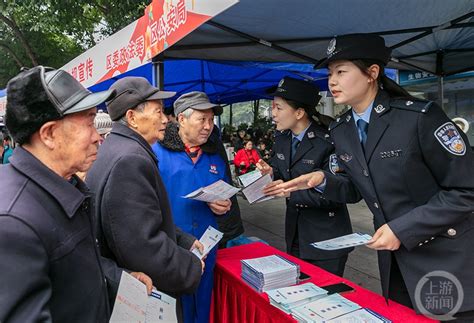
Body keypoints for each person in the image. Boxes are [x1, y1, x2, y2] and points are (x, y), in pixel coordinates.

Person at [277, 34, 474, 320]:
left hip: (445, 257)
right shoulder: (342, 129)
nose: (332, 81)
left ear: (372, 73)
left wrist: (402, 230)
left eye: (341, 71)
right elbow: (356, 190)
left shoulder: (418, 117)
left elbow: (465, 189)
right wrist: (322, 180)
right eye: (330, 73)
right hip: (395, 264)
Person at [0, 66, 152, 322]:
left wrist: (118, 277)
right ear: (49, 134)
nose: (98, 138)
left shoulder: (64, 184)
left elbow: (75, 264)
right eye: (89, 123)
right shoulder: (14, 223)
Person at [86, 77, 204, 321]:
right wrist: (189, 267)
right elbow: (141, 245)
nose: (165, 119)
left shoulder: (116, 147)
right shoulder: (131, 159)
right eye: (158, 111)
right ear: (132, 118)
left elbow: (140, 218)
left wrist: (183, 240)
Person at [256, 76, 354, 276]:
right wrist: (270, 172)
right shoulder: (282, 138)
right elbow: (282, 170)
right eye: (272, 107)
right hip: (295, 235)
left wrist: (290, 193)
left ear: (299, 112)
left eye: (278, 108)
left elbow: (340, 191)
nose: (273, 114)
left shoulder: (327, 141)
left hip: (327, 239)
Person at [153, 91, 232, 323]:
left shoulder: (215, 157)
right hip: (171, 247)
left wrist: (223, 205)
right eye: (202, 119)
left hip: (206, 247)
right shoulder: (156, 154)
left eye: (211, 120)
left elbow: (224, 194)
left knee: (203, 304)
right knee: (173, 309)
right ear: (182, 119)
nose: (208, 126)